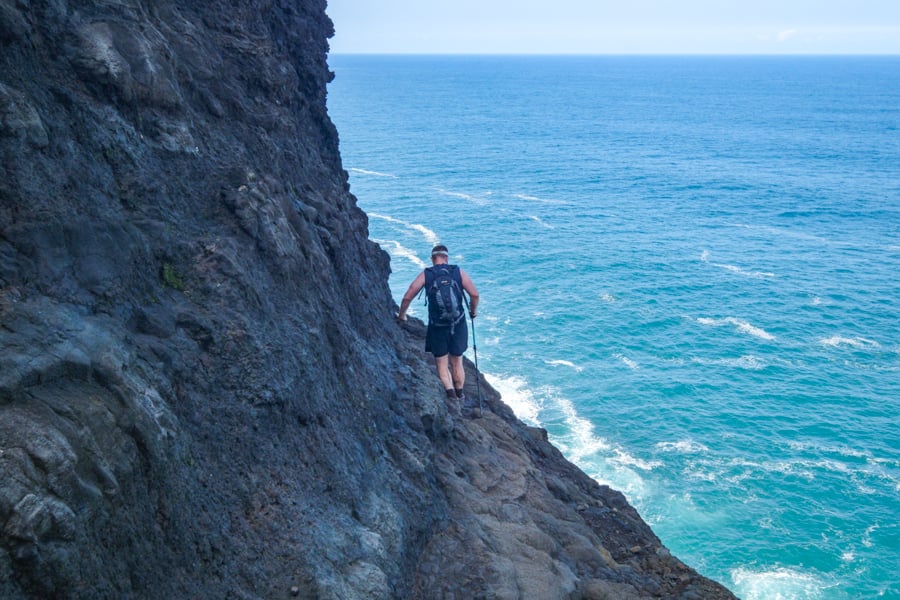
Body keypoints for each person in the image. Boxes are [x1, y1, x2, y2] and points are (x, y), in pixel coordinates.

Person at [397, 244, 479, 414]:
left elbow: (408, 295)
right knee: (457, 361)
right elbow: (475, 294)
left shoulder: (427, 274)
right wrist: (473, 311)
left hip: (438, 325)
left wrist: (402, 315)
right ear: (446, 257)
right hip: (458, 323)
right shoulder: (457, 272)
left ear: (432, 259)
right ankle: (460, 396)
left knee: (442, 363)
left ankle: (451, 398)